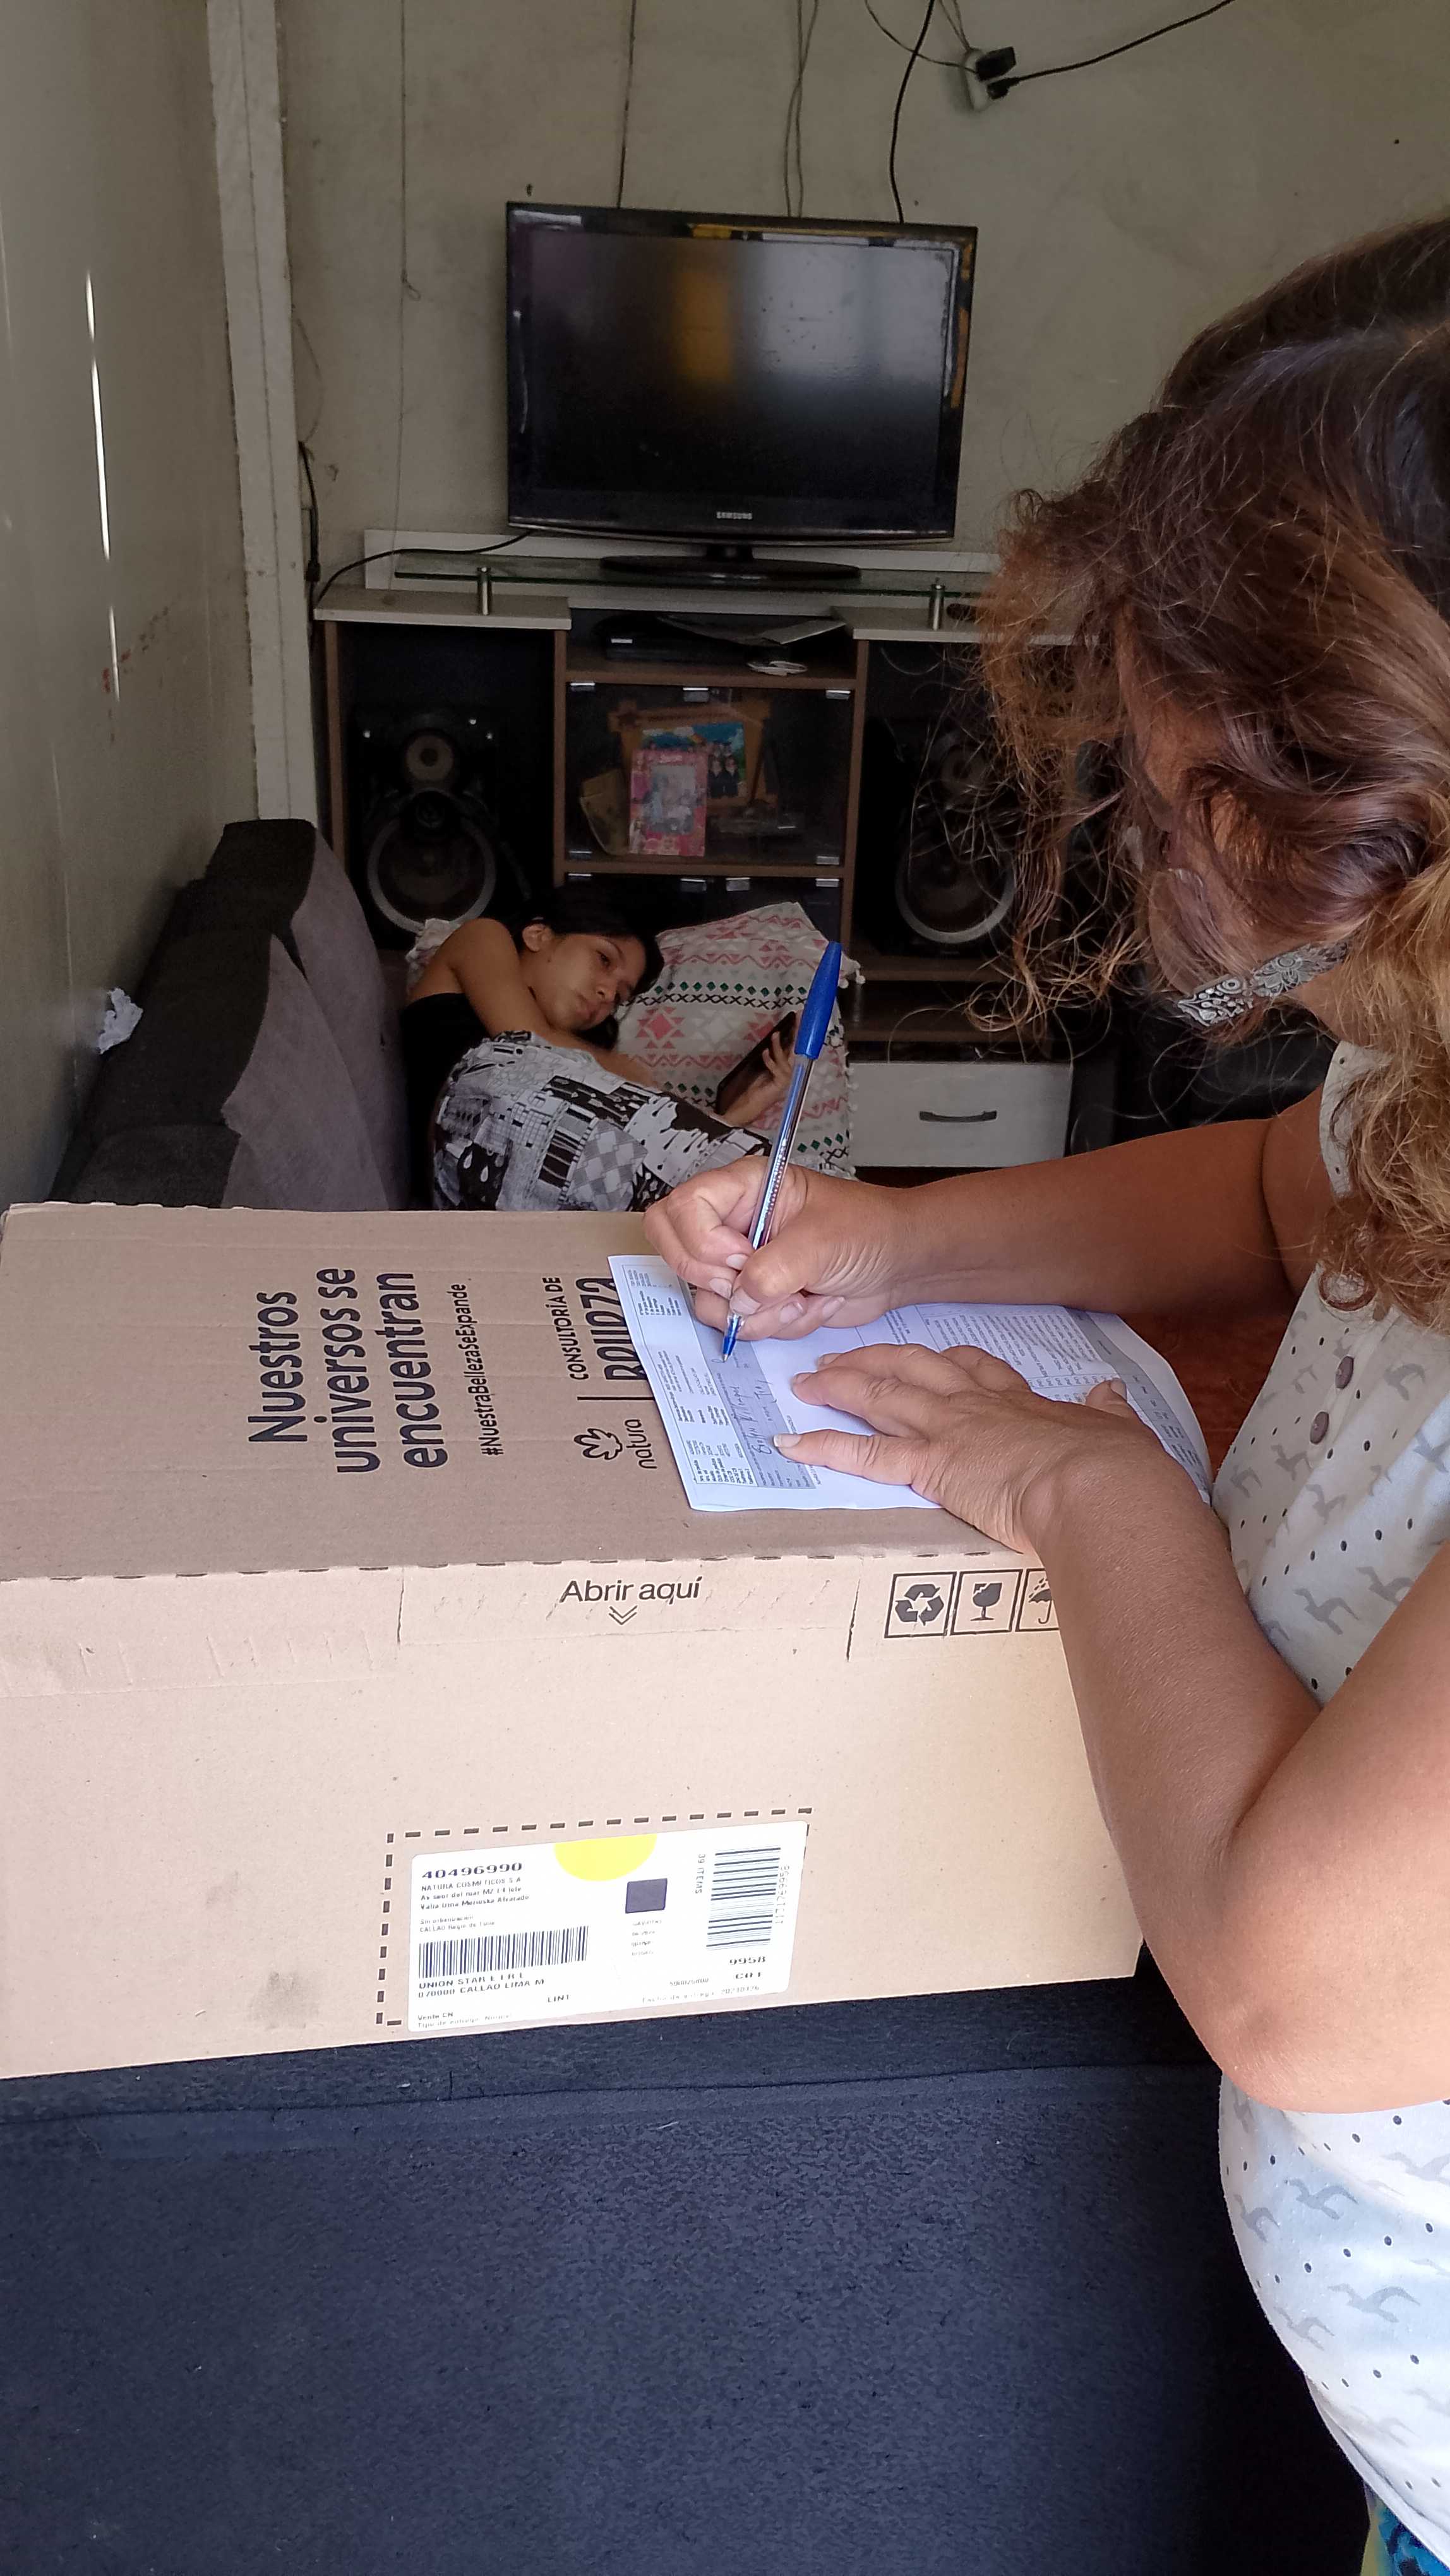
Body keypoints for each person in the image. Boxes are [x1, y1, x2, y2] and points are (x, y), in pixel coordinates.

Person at [645, 216, 1450, 2576]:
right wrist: (898, 1236)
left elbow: (1303, 1983)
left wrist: (1093, 1492)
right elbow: (1279, 1197)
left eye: (1177, 778)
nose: (1149, 820)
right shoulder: (1418, 1062)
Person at [400, 889, 792, 1205]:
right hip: (466, 1146)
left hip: (536, 1176)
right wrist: (622, 1071)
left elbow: (642, 1151)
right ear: (539, 935)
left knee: (750, 1196)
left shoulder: (578, 1058)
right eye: (603, 959)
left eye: (620, 997)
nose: (607, 995)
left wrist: (733, 1118)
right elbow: (522, 1038)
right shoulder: (483, 937)